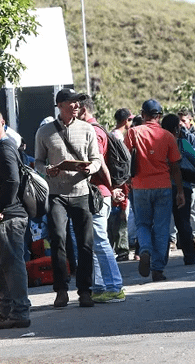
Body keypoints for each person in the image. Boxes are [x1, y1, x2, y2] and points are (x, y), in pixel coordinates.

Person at [34, 88, 103, 307]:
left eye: (77, 102)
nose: (76, 105)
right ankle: (61, 289)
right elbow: (37, 162)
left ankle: (85, 291)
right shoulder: (44, 132)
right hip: (56, 195)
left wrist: (90, 168)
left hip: (81, 192)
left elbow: (97, 159)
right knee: (58, 241)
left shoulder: (87, 129)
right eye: (71, 102)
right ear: (60, 106)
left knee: (85, 243)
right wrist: (48, 170)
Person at [0, 108, 31, 329]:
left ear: (2, 124)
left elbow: (12, 181)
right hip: (2, 216)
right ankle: (7, 311)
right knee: (0, 264)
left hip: (9, 216)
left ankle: (19, 312)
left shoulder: (5, 149)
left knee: (12, 264)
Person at [125, 99, 184, 281]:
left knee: (143, 224)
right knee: (161, 228)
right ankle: (158, 269)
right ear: (159, 116)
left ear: (143, 115)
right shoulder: (167, 136)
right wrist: (180, 191)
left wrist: (126, 182)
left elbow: (126, 159)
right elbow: (175, 166)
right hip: (163, 186)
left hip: (140, 186)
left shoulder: (133, 133)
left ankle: (144, 251)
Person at [78, 98, 127, 304]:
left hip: (100, 193)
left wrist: (113, 188)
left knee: (100, 240)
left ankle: (115, 287)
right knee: (94, 241)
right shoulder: (98, 129)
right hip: (101, 192)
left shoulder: (92, 131)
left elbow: (99, 163)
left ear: (81, 109)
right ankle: (99, 287)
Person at [161, 114, 195, 266]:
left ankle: (161, 259)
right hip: (183, 187)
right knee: (183, 222)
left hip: (162, 188)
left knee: (161, 224)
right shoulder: (182, 143)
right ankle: (190, 256)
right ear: (177, 128)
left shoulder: (159, 144)